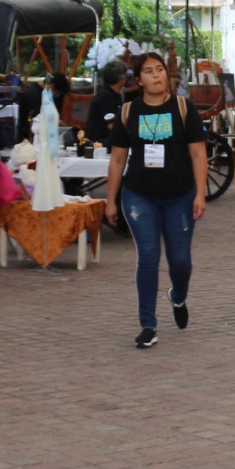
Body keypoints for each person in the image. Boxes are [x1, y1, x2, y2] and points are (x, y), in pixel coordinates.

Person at [105, 53, 208, 349]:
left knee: (180, 259)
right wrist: (111, 201)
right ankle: (148, 325)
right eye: (148, 72)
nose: (156, 76)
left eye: (159, 70)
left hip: (180, 195)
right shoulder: (128, 112)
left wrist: (200, 193)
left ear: (167, 75)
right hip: (139, 195)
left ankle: (177, 296)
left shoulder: (182, 107)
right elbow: (117, 160)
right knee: (148, 256)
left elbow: (199, 154)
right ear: (138, 80)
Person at [87, 60, 128, 148]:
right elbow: (112, 125)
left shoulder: (114, 94)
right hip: (100, 142)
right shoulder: (106, 96)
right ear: (121, 78)